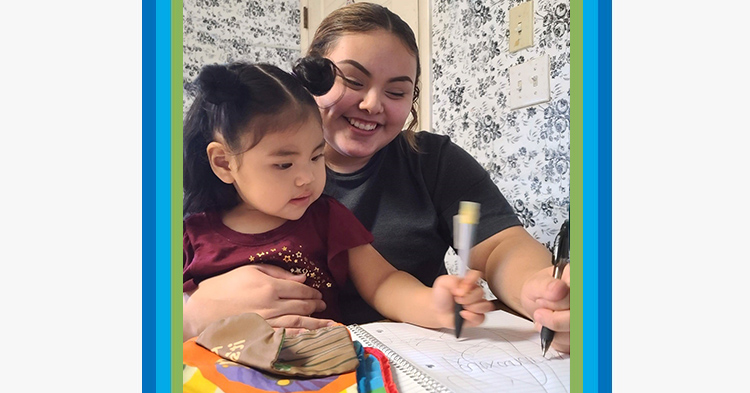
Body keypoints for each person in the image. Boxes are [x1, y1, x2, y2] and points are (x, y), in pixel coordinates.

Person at [183, 2, 570, 354]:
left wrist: (543, 291)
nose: (372, 104)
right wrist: (190, 313)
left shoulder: (425, 166)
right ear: (308, 80)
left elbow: (498, 246)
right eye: (352, 81)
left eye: (397, 90)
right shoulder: (200, 203)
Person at [182, 57, 493, 340]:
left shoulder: (327, 217)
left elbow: (383, 282)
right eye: (284, 164)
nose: (307, 177)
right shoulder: (191, 235)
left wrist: (432, 304)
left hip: (319, 373)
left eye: (317, 157)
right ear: (224, 163)